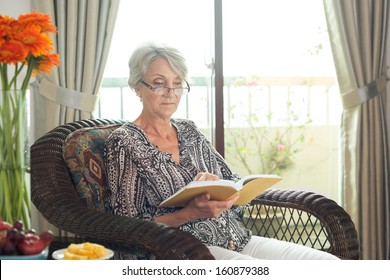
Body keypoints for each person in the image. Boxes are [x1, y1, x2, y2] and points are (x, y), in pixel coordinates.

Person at [103, 42, 339, 260]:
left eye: (177, 83)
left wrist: (218, 186)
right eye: (159, 83)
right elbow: (128, 227)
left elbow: (233, 181)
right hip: (179, 250)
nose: (170, 92)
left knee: (326, 263)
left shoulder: (189, 130)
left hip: (238, 239)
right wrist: (190, 212)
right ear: (137, 87)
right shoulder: (124, 142)